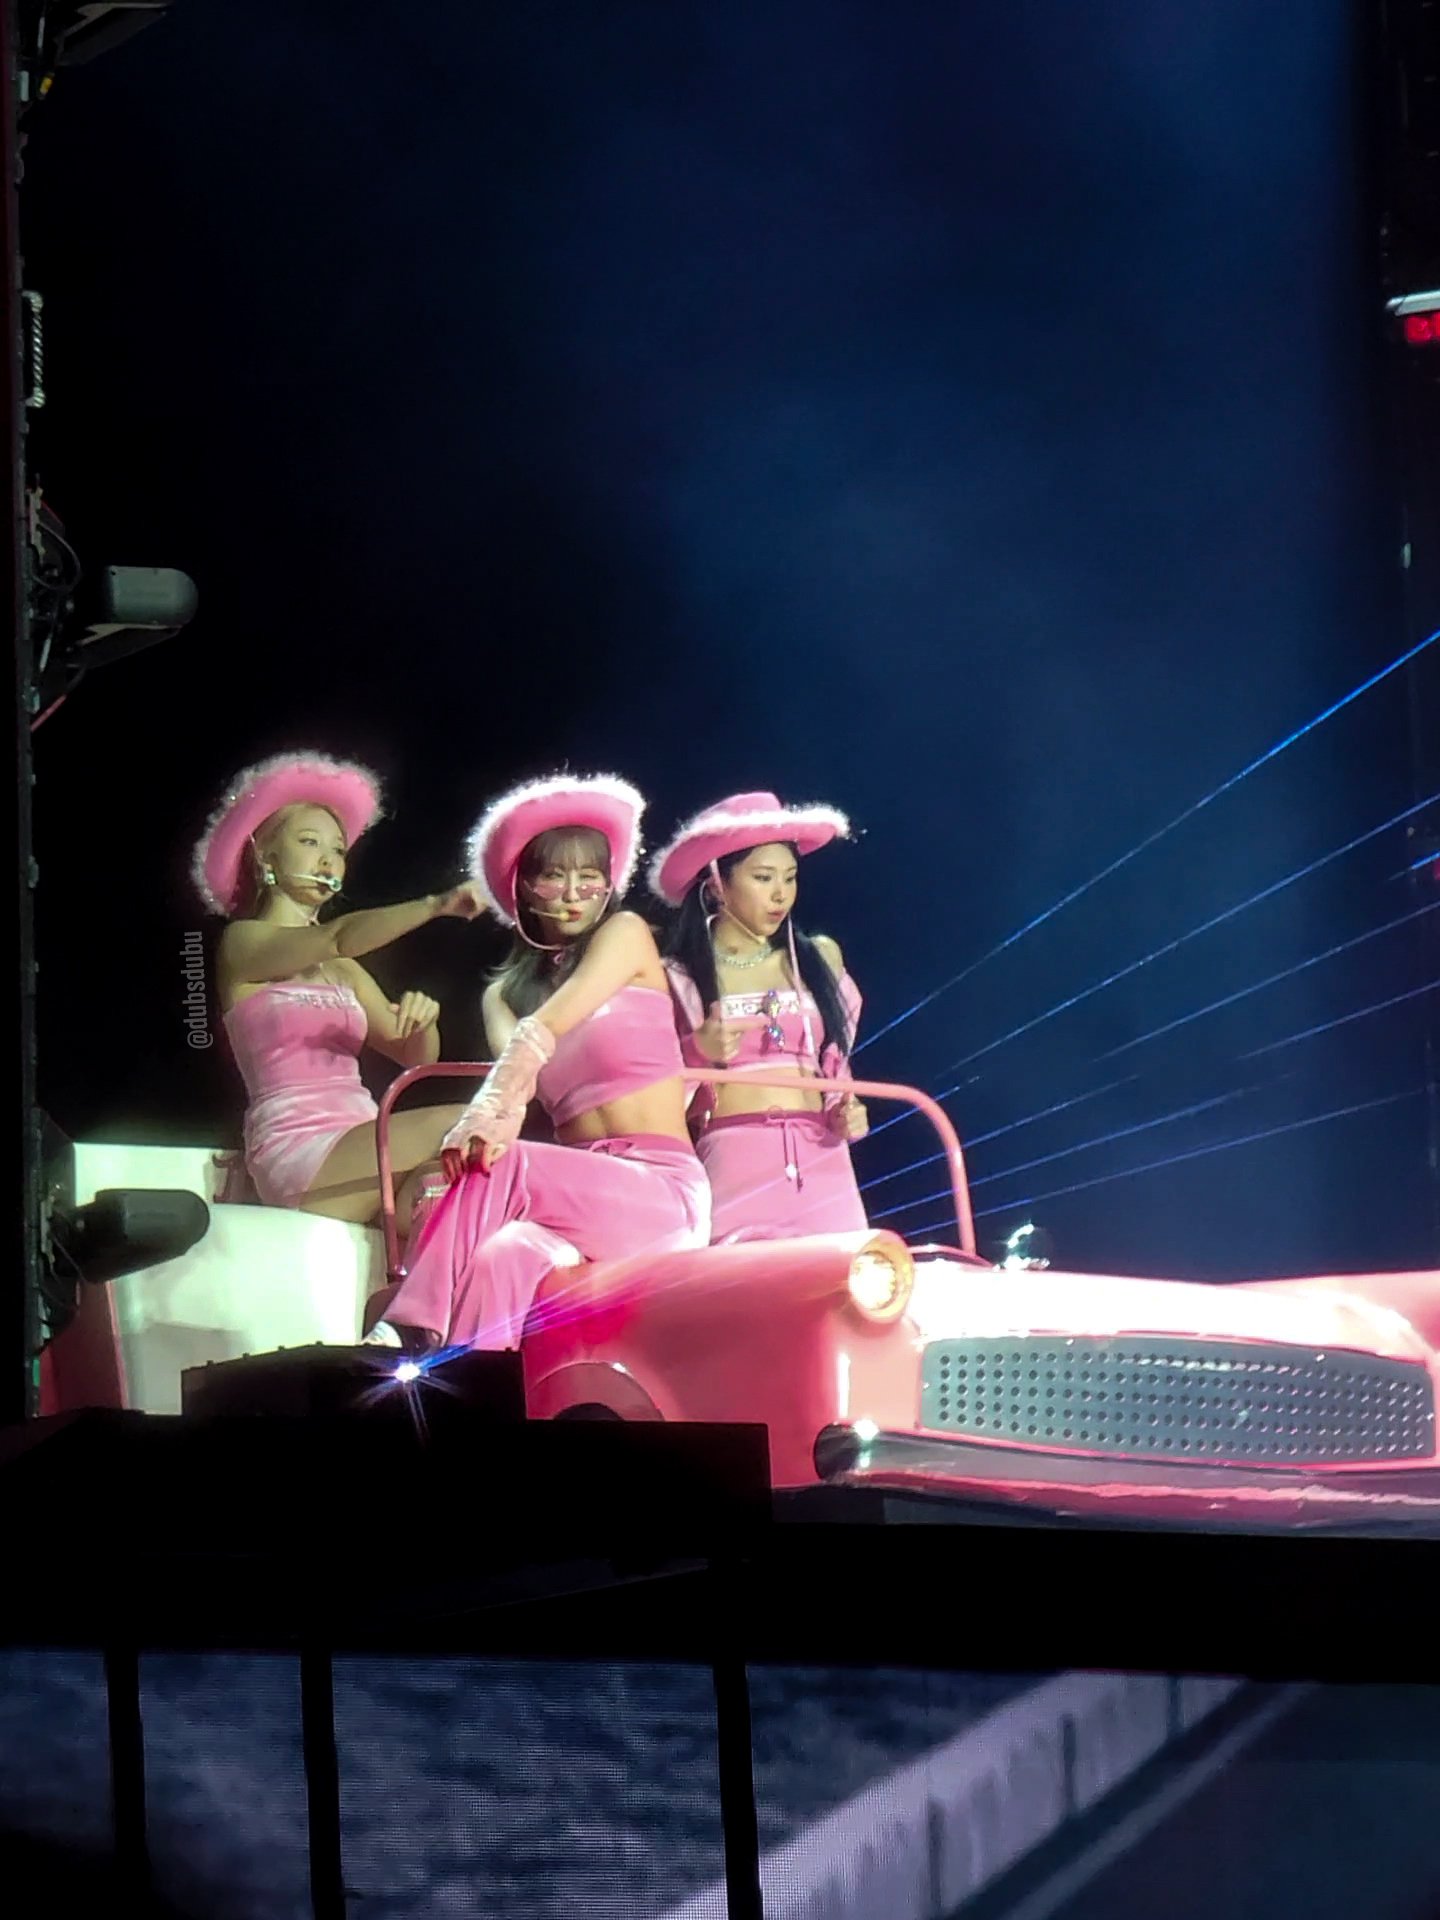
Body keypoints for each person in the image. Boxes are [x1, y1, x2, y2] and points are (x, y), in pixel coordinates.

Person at [366, 773, 711, 1353]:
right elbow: (517, 1083)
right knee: (503, 1254)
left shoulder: (626, 934)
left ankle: (409, 1324)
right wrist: (483, 1130)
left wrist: (484, 1116)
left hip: (661, 1192)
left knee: (508, 1162)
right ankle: (470, 1387)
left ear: (608, 884)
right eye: (553, 876)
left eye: (589, 876)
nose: (574, 893)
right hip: (578, 1198)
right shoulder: (503, 994)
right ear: (524, 889)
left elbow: (540, 1034)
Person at [197, 751, 485, 1233]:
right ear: (265, 856)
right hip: (300, 1149)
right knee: (467, 1122)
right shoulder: (242, 943)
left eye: (337, 850)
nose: (328, 858)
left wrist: (423, 1022)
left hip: (364, 1141)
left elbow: (415, 1058)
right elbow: (338, 936)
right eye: (309, 842)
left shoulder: (343, 972)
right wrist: (436, 905)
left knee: (445, 1192)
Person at [648, 791, 869, 1241]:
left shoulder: (818, 958)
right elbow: (647, 1084)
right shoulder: (677, 975)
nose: (781, 894)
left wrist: (845, 1110)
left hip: (823, 1156)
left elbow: (835, 1063)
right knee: (741, 1279)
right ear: (716, 883)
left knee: (844, 1277)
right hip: (734, 1157)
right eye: (763, 878)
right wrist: (697, 1050)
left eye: (790, 878)